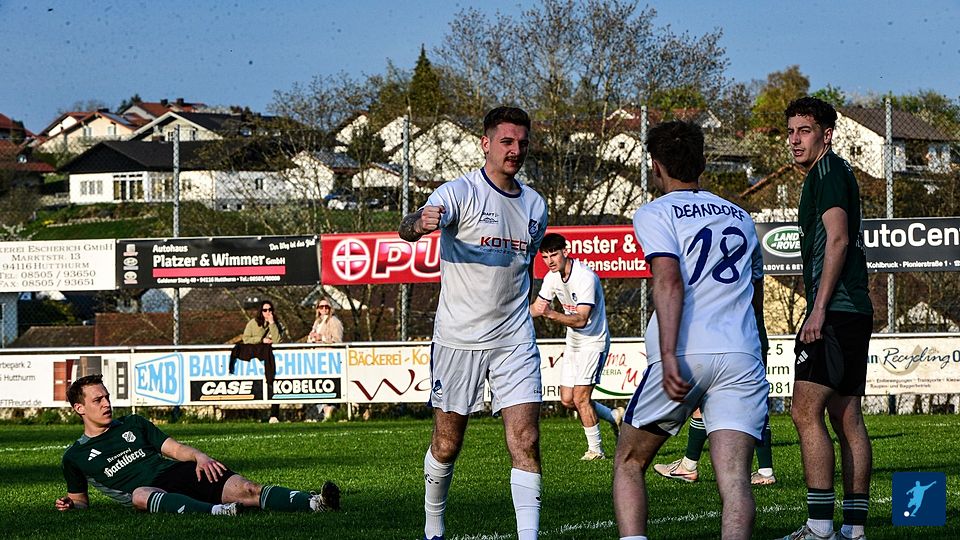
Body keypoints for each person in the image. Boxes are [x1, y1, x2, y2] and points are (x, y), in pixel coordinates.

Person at [613, 120, 768, 540]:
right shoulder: (741, 217)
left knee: (629, 462)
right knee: (735, 481)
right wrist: (758, 350)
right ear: (702, 163)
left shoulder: (655, 212)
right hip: (741, 354)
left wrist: (666, 356)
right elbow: (755, 293)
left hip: (686, 353)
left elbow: (668, 281)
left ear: (655, 165)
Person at [398, 106, 548, 540]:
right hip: (459, 339)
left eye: (522, 143)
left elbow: (524, 269)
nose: (515, 150)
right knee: (447, 444)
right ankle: (433, 527)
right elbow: (408, 227)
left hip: (514, 338)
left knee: (526, 439)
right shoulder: (459, 192)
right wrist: (419, 223)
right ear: (485, 143)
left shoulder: (536, 205)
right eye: (506, 141)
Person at [777, 97, 873, 540]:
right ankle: (853, 530)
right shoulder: (831, 173)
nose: (795, 140)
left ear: (827, 135)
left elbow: (838, 240)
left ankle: (818, 528)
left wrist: (817, 310)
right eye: (790, 132)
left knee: (803, 411)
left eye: (805, 130)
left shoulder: (828, 174)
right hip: (852, 311)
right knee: (847, 417)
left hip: (834, 312)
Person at [56, 374, 340, 515]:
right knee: (139, 495)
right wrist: (70, 504)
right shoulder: (75, 456)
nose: (106, 403)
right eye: (98, 400)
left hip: (175, 473)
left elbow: (175, 449)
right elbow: (80, 501)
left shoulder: (133, 423)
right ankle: (217, 511)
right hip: (148, 491)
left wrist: (200, 457)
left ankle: (315, 502)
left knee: (248, 489)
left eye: (107, 397)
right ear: (79, 408)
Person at [653, 306, 774, 485]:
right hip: (752, 337)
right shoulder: (748, 287)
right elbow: (757, 299)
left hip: (724, 338)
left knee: (703, 398)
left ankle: (688, 466)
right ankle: (765, 471)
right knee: (755, 403)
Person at [530, 232, 624, 460]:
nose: (550, 261)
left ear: (566, 251)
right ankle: (613, 416)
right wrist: (507, 318)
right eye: (545, 257)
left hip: (593, 342)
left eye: (554, 255)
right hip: (573, 343)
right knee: (567, 399)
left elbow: (581, 319)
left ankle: (596, 451)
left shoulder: (585, 277)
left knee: (581, 398)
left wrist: (551, 314)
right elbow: (537, 308)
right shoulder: (552, 277)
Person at [231, 300, 283, 423]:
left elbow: (277, 340)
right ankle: (253, 415)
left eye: (270, 310)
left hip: (271, 360)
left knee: (274, 385)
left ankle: (274, 414)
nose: (268, 312)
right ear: (261, 311)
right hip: (255, 360)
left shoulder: (276, 324)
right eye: (265, 310)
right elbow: (246, 339)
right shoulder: (252, 323)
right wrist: (261, 340)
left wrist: (272, 324)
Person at [306, 298, 344, 421]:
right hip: (316, 359)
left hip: (329, 359)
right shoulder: (317, 322)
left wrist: (321, 337)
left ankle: (329, 408)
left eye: (326, 307)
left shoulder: (334, 321)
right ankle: (324, 410)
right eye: (321, 307)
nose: (324, 309)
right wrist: (311, 339)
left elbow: (337, 340)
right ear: (317, 309)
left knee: (328, 384)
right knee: (317, 385)